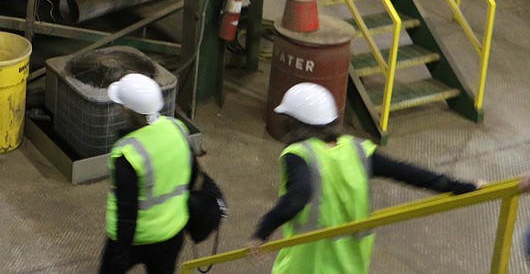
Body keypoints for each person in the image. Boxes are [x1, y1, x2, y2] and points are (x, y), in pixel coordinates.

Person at [250, 82, 478, 273]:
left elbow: (299, 195)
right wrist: (460, 186)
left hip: (308, 266)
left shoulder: (299, 155)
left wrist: (262, 232)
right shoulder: (358, 150)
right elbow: (409, 173)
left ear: (293, 122)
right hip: (351, 265)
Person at [100, 72, 196, 274]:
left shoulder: (128, 154)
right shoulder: (177, 129)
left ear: (126, 108)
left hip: (138, 239)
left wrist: (119, 258)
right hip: (172, 234)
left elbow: (127, 214)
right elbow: (193, 176)